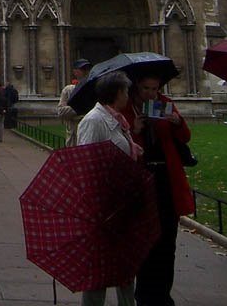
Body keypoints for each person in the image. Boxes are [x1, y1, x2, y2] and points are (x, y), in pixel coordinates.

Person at [124, 74, 194, 306]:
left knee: (167, 241)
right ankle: (144, 294)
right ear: (136, 87)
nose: (151, 93)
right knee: (146, 239)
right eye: (146, 88)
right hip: (142, 181)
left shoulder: (165, 105)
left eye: (155, 88)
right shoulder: (127, 107)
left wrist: (177, 123)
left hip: (166, 179)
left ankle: (162, 295)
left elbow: (185, 137)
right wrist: (135, 129)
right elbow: (122, 147)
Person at [77, 70, 142, 306]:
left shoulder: (118, 120)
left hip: (121, 204)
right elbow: (85, 163)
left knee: (125, 265)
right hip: (103, 207)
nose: (128, 95)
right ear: (117, 93)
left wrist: (132, 147)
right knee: (99, 269)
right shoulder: (94, 120)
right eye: (126, 91)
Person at [57, 58, 92, 146]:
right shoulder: (68, 90)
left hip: (90, 132)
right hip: (73, 135)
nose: (86, 72)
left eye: (87, 69)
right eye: (83, 69)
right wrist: (80, 108)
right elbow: (61, 112)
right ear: (75, 72)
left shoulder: (93, 89)